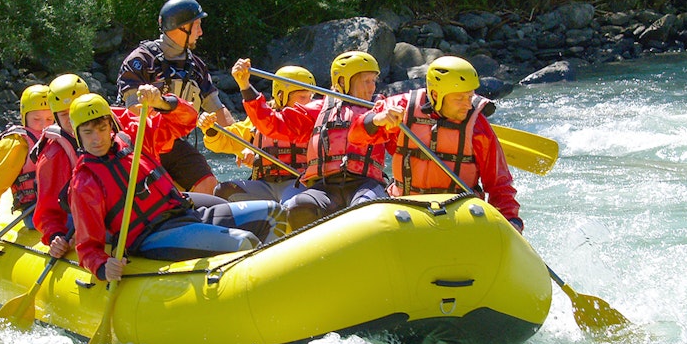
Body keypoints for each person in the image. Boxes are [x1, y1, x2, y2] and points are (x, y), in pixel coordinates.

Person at [67, 91, 287, 281]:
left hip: (187, 214)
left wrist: (162, 102)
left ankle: (277, 287)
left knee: (274, 212)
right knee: (243, 242)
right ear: (78, 135)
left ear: (111, 126)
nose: (97, 139)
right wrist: (103, 267)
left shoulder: (135, 138)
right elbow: (87, 247)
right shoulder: (84, 182)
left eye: (102, 129)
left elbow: (186, 119)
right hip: (153, 236)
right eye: (88, 132)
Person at [348, 56, 523, 232]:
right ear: (435, 95)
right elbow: (356, 138)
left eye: (470, 97)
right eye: (459, 99)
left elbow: (499, 183)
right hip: (407, 207)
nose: (467, 106)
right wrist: (375, 120)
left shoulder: (478, 126)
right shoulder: (400, 109)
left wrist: (510, 219)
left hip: (458, 211)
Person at [243, 50, 389, 231]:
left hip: (366, 184)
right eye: (366, 81)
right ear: (343, 81)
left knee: (364, 208)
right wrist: (245, 87)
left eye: (374, 81)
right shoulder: (319, 110)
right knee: (299, 206)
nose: (372, 87)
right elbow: (273, 124)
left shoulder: (381, 111)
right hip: (326, 187)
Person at [115, 0, 235, 195]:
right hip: (137, 143)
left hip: (172, 143)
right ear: (181, 27)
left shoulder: (196, 67)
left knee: (208, 185)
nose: (201, 32)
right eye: (196, 25)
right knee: (161, 190)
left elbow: (218, 110)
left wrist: (242, 144)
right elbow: (134, 110)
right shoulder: (141, 60)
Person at [197, 62, 315, 204]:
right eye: (302, 97)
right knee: (223, 190)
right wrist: (210, 129)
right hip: (264, 185)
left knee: (295, 205)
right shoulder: (259, 120)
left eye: (310, 96)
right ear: (281, 95)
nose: (309, 102)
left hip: (296, 183)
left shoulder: (312, 119)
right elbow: (226, 140)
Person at [0, 84, 54, 254]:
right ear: (25, 118)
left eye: (49, 119)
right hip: (36, 212)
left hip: (62, 206)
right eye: (36, 119)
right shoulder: (17, 144)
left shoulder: (60, 137)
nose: (43, 125)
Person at [31, 73, 89, 258]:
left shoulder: (109, 126)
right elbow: (48, 208)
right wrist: (55, 235)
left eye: (77, 110)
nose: (73, 118)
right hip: (80, 217)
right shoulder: (53, 154)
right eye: (64, 114)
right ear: (56, 116)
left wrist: (165, 104)